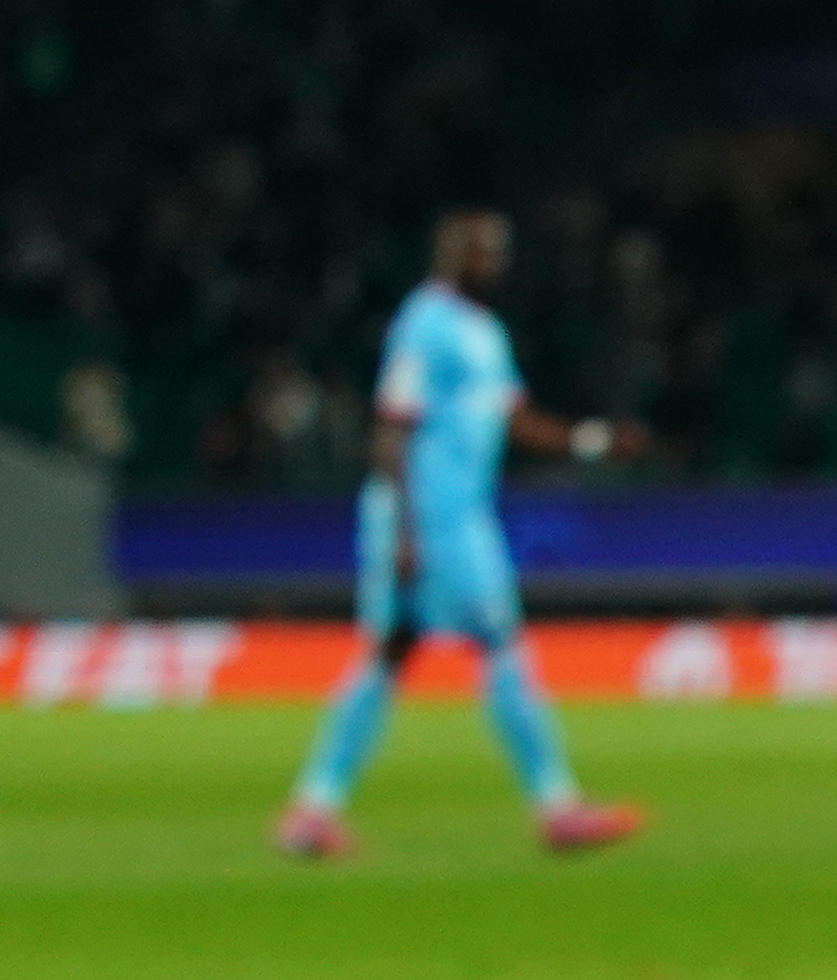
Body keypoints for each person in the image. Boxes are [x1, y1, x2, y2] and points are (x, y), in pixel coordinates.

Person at [273, 207, 644, 862]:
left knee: (391, 653)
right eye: (480, 252)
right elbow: (391, 427)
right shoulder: (427, 324)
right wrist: (406, 533)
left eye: (498, 252)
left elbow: (516, 421)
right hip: (430, 519)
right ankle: (557, 808)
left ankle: (311, 809)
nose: (492, 263)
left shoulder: (485, 333)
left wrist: (592, 440)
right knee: (499, 641)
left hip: (453, 516)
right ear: (450, 255)